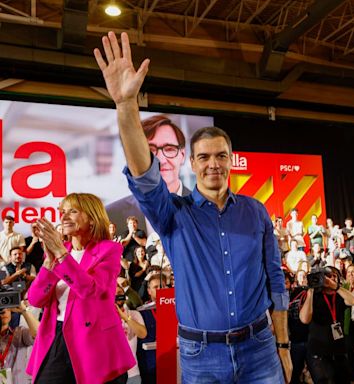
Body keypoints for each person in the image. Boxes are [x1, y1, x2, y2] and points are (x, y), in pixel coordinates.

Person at [94, 32, 292, 383]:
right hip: (202, 356)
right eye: (205, 157)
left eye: (220, 156)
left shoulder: (256, 211)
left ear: (231, 161)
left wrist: (283, 345)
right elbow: (144, 176)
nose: (213, 164)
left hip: (260, 350)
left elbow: (275, 280)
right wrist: (126, 105)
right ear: (192, 163)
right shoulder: (172, 213)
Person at [26, 193, 135, 384]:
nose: (64, 217)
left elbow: (89, 290)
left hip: (95, 342)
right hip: (56, 337)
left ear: (92, 219)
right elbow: (35, 299)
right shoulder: (59, 251)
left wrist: (60, 253)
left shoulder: (109, 250)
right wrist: (49, 263)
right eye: (63, 211)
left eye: (73, 211)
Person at [107, 115, 191, 233]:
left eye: (169, 149)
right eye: (150, 150)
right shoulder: (111, 215)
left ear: (182, 155)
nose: (161, 160)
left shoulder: (206, 210)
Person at [299, 266, 354, 384]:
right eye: (326, 276)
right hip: (319, 352)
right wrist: (310, 291)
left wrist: (335, 287)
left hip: (339, 350)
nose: (329, 279)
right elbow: (305, 319)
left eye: (333, 276)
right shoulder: (314, 296)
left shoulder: (340, 294)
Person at [115, 285, 147, 384]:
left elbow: (143, 334)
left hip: (133, 374)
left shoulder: (134, 314)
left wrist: (125, 317)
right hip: (113, 375)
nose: (117, 295)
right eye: (113, 293)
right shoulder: (103, 317)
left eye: (120, 293)